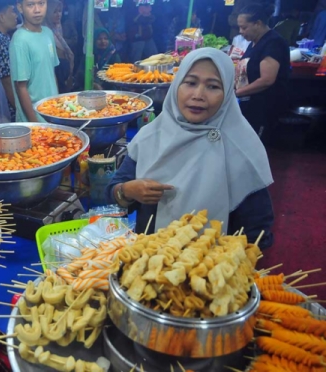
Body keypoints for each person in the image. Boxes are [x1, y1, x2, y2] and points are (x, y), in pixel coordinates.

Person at [106, 48, 274, 249]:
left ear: (228, 92)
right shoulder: (151, 136)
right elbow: (114, 191)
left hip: (208, 270)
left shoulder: (242, 146)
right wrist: (127, 191)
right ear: (177, 85)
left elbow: (258, 233)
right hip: (149, 263)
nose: (198, 95)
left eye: (213, 86)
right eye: (191, 83)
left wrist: (234, 266)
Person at [235, 4, 289, 139]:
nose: (240, 31)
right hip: (251, 104)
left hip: (264, 107)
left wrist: (237, 93)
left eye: (244, 27)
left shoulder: (273, 43)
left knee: (256, 145)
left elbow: (267, 80)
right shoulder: (254, 42)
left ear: (258, 24)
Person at [10, 0, 59, 122]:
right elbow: (21, 87)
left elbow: (51, 74)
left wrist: (57, 107)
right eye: (30, 5)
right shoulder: (20, 40)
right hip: (35, 120)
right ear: (20, 8)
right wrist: (35, 124)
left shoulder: (48, 33)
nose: (37, 10)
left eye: (41, 3)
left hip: (52, 113)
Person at [44, 0, 74, 93]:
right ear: (47, 12)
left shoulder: (57, 28)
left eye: (59, 11)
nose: (58, 14)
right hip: (55, 71)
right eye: (54, 11)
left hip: (62, 67)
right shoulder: (44, 31)